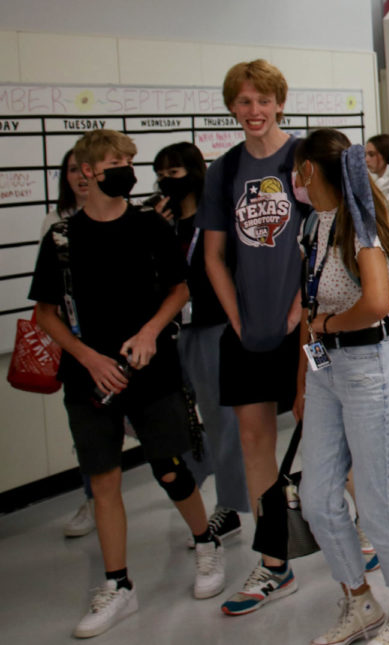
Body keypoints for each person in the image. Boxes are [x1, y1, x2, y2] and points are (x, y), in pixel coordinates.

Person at [29, 129, 225, 639]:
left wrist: (150, 331)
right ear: (88, 171)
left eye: (129, 160)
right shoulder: (61, 239)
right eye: (117, 161)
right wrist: (88, 358)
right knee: (104, 479)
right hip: (90, 378)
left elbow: (179, 288)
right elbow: (45, 315)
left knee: (170, 468)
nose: (129, 169)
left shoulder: (149, 227)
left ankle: (205, 541)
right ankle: (118, 584)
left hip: (151, 372)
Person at [292, 129, 389, 645]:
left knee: (376, 499)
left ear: (311, 171)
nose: (293, 179)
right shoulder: (313, 226)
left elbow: (375, 303)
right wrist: (305, 377)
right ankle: (358, 599)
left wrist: (327, 327)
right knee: (318, 495)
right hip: (326, 373)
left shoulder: (360, 227)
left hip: (370, 367)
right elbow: (307, 311)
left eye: (297, 169)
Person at [196, 59, 307, 616]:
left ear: (280, 102)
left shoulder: (305, 158)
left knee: (330, 431)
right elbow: (215, 254)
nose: (255, 111)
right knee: (255, 442)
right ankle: (273, 561)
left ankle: (360, 540)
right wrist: (236, 317)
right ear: (232, 108)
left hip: (304, 324)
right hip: (247, 327)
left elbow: (328, 237)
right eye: (243, 101)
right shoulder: (224, 170)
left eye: (263, 100)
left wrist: (298, 309)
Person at [151, 142, 251, 546]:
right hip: (169, 330)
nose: (166, 181)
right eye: (161, 173)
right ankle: (197, 472)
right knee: (177, 417)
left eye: (174, 173)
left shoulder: (215, 217)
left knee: (222, 419)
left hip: (212, 327)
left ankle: (230, 505)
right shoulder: (159, 220)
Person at [41, 149, 96, 538]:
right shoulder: (54, 223)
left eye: (87, 168)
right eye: (73, 169)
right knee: (88, 431)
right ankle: (93, 500)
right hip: (77, 343)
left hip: (123, 344)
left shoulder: (124, 215)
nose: (80, 176)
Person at [366, 133, 389, 199]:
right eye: (365, 155)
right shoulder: (374, 181)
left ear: (385, 154)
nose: (366, 160)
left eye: (371, 155)